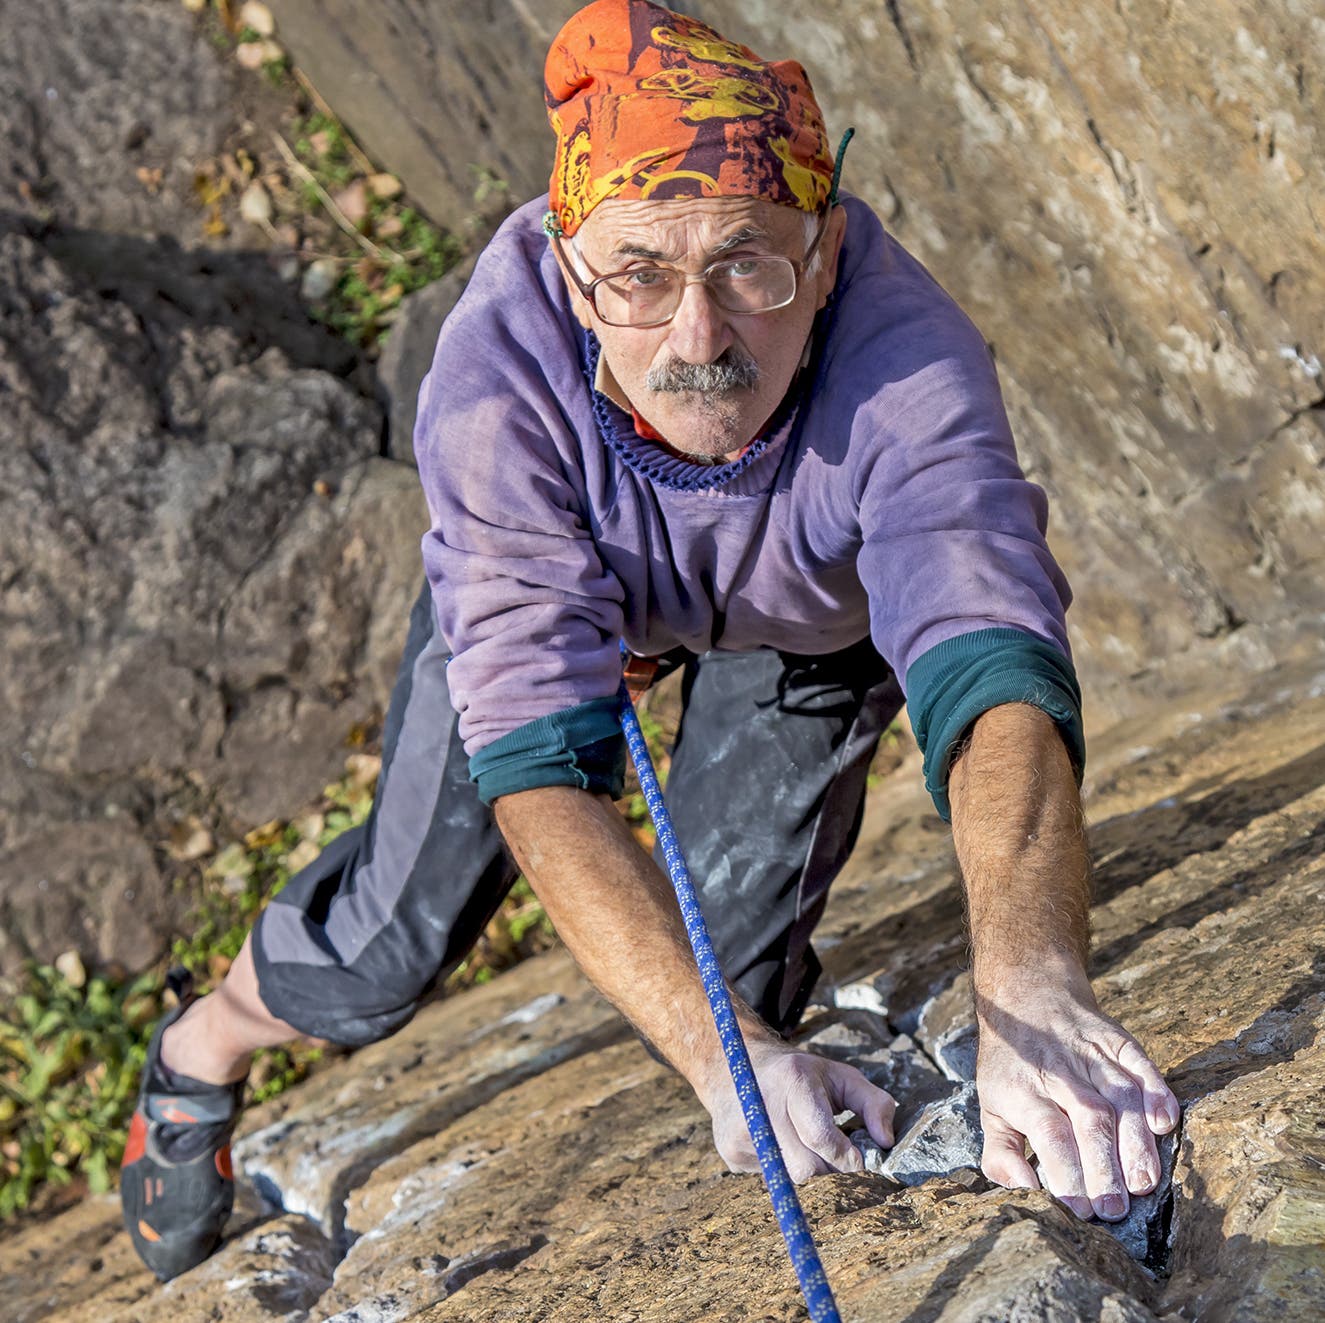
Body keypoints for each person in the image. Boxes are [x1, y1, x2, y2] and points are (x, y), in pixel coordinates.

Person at [120, 0, 1179, 1283]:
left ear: (827, 253)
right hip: (564, 588)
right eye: (638, 274)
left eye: (747, 263)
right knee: (383, 951)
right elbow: (535, 770)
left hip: (804, 628)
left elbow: (987, 664)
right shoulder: (499, 380)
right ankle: (203, 1047)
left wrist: (1030, 985)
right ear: (571, 270)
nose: (699, 337)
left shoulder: (908, 370)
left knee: (729, 1007)